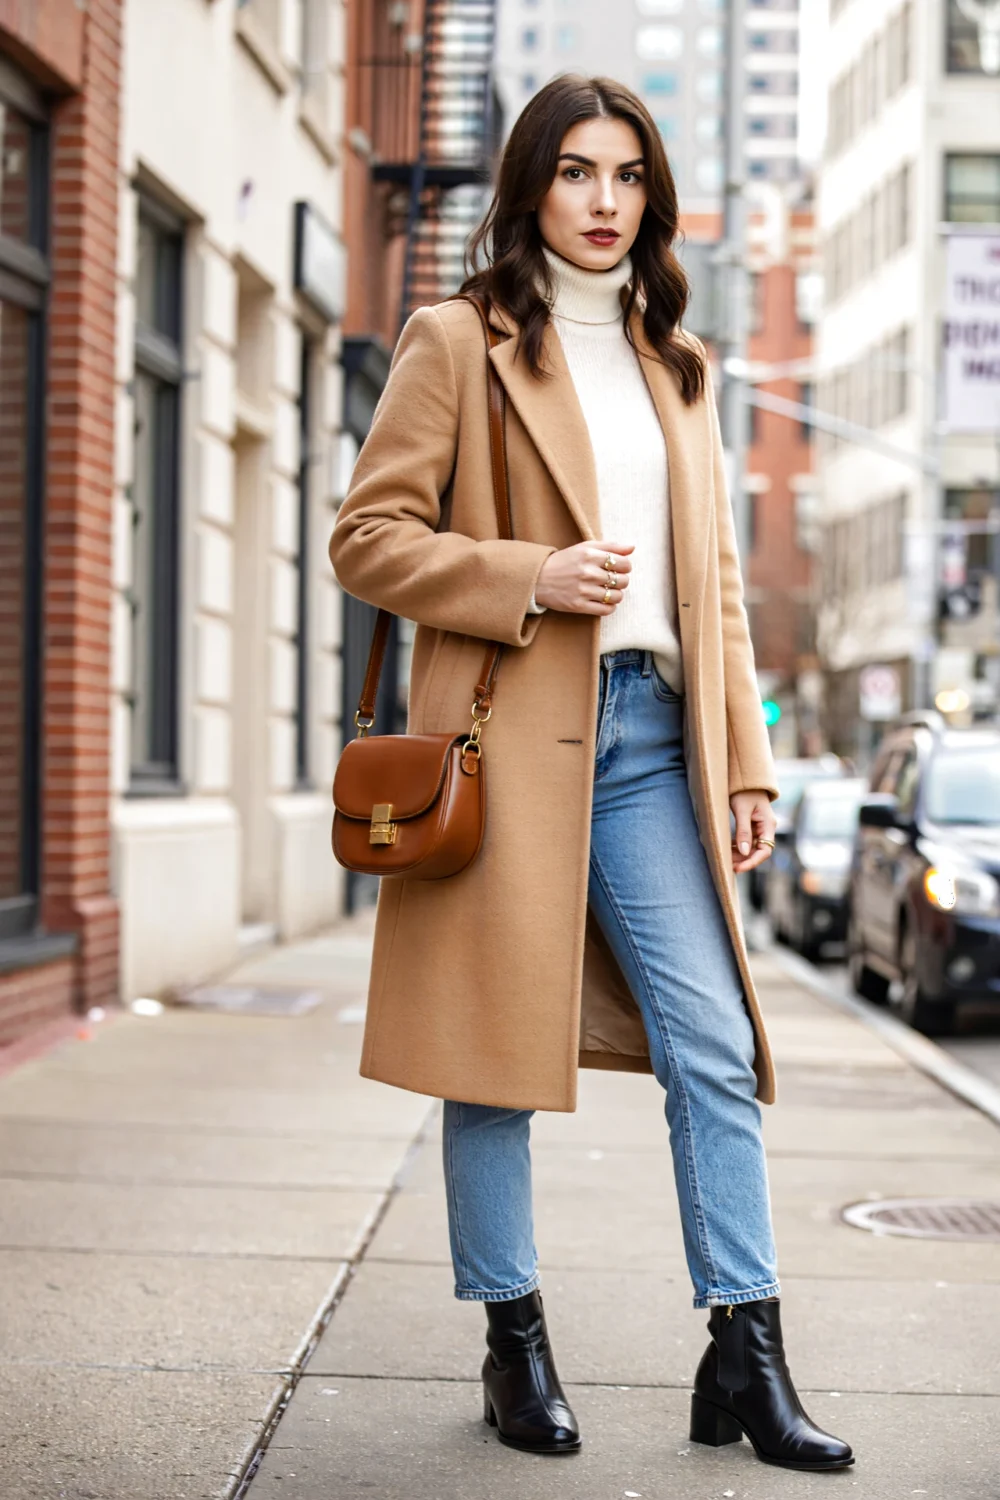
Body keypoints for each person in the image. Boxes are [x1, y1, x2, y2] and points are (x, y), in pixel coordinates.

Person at [330, 74, 853, 1473]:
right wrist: (529, 576)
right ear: (531, 187)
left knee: (713, 1045)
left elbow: (714, 583)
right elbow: (366, 538)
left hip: (650, 747)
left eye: (628, 176)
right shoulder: (458, 341)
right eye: (576, 172)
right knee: (492, 1055)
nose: (605, 201)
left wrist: (744, 762)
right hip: (505, 738)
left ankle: (744, 1350)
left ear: (652, 200)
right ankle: (513, 1341)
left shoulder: (679, 362)